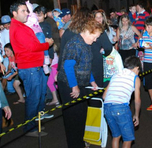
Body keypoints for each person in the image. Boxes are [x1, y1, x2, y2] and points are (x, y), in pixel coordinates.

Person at [9, 1, 54, 137]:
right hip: (29, 67)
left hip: (34, 66)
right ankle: (30, 128)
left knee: (39, 96)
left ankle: (35, 123)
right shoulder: (18, 28)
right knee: (34, 98)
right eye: (23, 11)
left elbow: (33, 44)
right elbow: (33, 47)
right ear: (15, 13)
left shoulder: (21, 27)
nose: (27, 13)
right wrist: (47, 44)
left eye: (27, 10)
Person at [57, 18, 101, 148]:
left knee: (81, 115)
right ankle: (74, 144)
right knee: (73, 118)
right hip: (68, 84)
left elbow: (86, 65)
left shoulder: (86, 44)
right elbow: (68, 67)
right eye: (95, 36)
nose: (95, 40)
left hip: (79, 84)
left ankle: (79, 142)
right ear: (88, 32)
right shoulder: (75, 44)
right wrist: (74, 86)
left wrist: (92, 81)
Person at [103, 56, 141, 148]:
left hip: (107, 108)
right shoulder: (135, 78)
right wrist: (136, 115)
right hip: (121, 108)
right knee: (128, 139)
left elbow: (104, 96)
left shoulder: (116, 74)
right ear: (136, 68)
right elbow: (137, 100)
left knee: (116, 136)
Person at [91, 10, 113, 87]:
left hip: (90, 60)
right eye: (97, 17)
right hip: (97, 61)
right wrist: (104, 52)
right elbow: (108, 47)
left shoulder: (89, 29)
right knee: (98, 84)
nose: (99, 19)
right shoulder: (100, 31)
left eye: (101, 17)